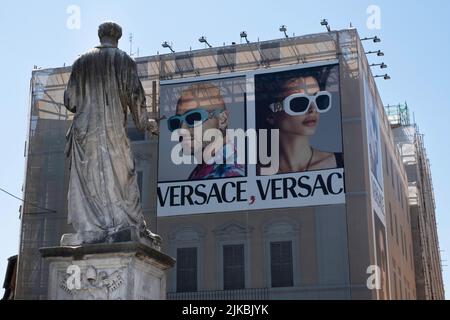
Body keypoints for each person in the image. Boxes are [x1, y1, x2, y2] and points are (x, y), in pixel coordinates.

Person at [63, 22, 160, 246]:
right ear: (118, 38)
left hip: (85, 133)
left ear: (100, 36)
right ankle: (121, 226)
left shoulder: (81, 62)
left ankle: (91, 228)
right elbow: (135, 97)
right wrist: (147, 123)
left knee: (91, 178)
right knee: (122, 178)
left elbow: (70, 100)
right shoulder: (124, 61)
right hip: (112, 131)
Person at [263, 70, 344, 175]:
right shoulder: (256, 172)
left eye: (319, 99)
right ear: (271, 115)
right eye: (298, 102)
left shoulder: (342, 162)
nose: (313, 109)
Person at [167, 83, 245, 180]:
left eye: (194, 117)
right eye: (176, 122)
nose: (182, 130)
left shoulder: (229, 175)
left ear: (223, 119)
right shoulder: (204, 170)